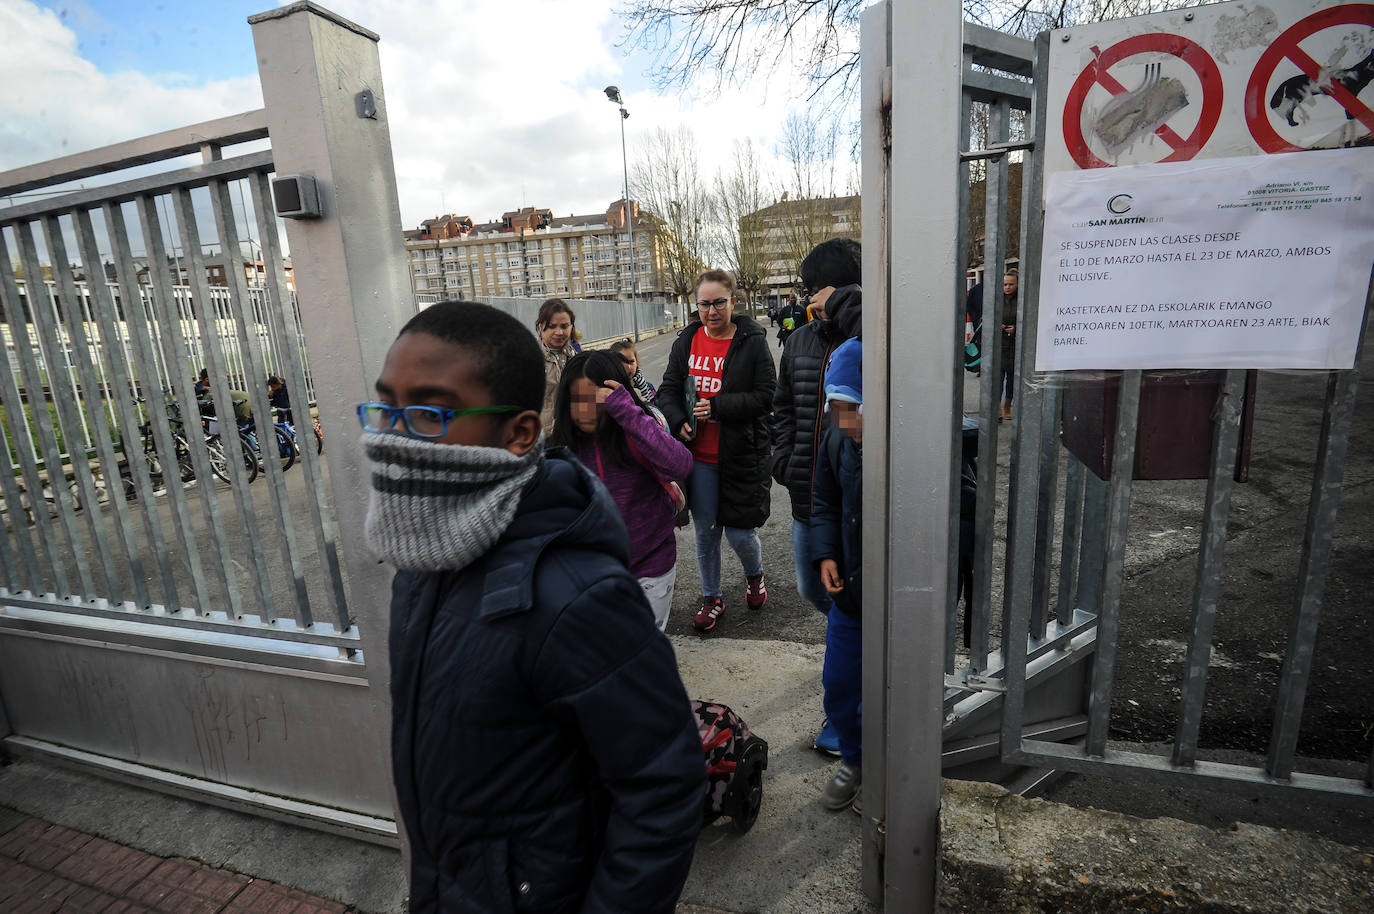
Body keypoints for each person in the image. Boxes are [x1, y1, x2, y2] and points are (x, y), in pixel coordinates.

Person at [359, 300, 704, 913]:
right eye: (386, 405)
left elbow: (663, 788)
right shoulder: (421, 564)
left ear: (519, 435)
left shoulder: (579, 595)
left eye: (432, 413)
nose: (392, 434)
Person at [771, 236, 861, 756]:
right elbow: (783, 405)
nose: (810, 297)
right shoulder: (800, 340)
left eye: (818, 286)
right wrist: (783, 459)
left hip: (857, 506)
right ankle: (849, 651)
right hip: (808, 499)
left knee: (847, 602)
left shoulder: (875, 335)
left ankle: (847, 700)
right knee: (814, 591)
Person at [658, 269, 775, 634]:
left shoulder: (752, 341)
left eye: (719, 303)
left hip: (740, 455)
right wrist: (678, 421)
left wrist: (719, 407)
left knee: (740, 534)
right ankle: (712, 598)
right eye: (704, 304)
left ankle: (754, 576)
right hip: (700, 458)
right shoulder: (687, 341)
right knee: (707, 533)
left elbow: (766, 395)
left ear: (733, 301)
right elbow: (668, 390)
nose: (711, 311)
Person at [550, 350, 692, 631]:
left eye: (596, 399)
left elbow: (681, 465)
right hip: (591, 575)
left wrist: (629, 413)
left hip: (651, 567)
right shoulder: (560, 449)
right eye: (577, 399)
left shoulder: (638, 431)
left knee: (644, 652)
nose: (585, 409)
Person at [810, 337, 865, 813]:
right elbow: (825, 501)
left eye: (856, 408)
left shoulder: (912, 446)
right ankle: (854, 758)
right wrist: (826, 554)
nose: (848, 421)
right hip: (850, 594)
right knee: (840, 681)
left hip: (899, 597)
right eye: (839, 408)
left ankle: (894, 764)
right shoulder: (838, 438)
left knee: (895, 689)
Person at [535, 297, 582, 434]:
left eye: (564, 326)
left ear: (571, 327)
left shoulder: (577, 354)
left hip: (575, 433)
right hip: (544, 438)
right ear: (541, 327)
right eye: (552, 326)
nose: (559, 332)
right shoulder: (529, 358)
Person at [610, 337, 658, 406]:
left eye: (631, 361)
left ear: (637, 362)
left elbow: (657, 411)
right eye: (622, 362)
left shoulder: (649, 387)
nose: (628, 367)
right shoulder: (610, 391)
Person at [999, 271, 1019, 421]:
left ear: (1017, 284)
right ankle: (997, 408)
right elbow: (983, 318)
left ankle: (1007, 406)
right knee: (997, 379)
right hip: (999, 346)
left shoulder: (1022, 299)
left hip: (1015, 346)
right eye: (1005, 284)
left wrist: (1016, 329)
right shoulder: (996, 299)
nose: (1007, 287)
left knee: (1012, 379)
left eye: (1011, 284)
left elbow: (1030, 318)